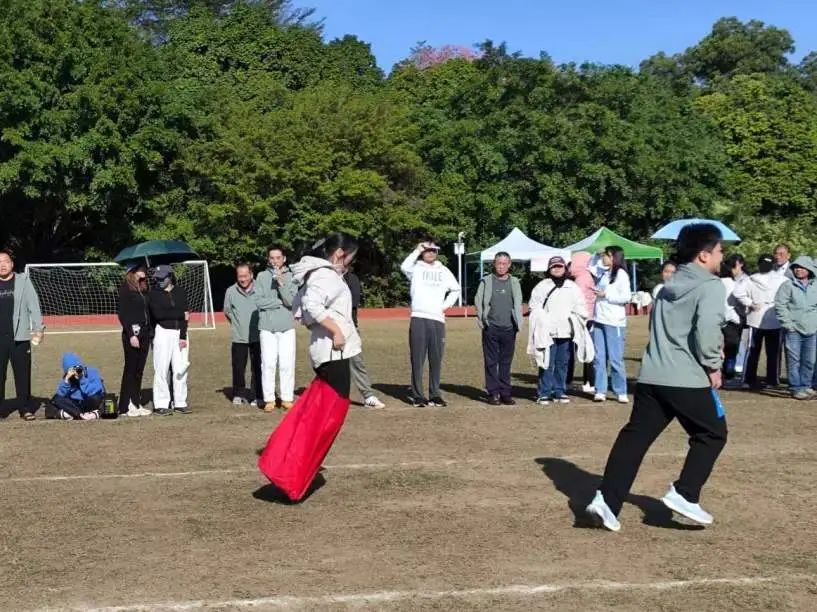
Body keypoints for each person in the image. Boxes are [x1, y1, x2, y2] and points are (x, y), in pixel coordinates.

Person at [586, 223, 727, 532]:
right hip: (686, 376)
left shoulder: (669, 286)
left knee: (634, 438)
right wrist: (714, 366)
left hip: (652, 376)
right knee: (713, 433)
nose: (722, 256)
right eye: (719, 251)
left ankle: (606, 502)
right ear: (703, 255)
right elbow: (706, 335)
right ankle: (685, 493)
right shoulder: (712, 286)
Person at [291, 233, 362, 400]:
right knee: (333, 406)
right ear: (339, 253)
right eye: (351, 256)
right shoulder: (325, 275)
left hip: (331, 349)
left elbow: (299, 308)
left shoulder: (323, 274)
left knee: (328, 406)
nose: (352, 260)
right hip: (331, 350)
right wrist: (336, 331)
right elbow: (311, 304)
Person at [400, 240, 460, 407]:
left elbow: (456, 289)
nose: (430, 253)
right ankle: (418, 395)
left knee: (436, 359)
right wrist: (416, 249)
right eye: (427, 250)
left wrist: (444, 307)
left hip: (437, 320)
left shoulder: (444, 270)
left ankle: (435, 394)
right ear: (422, 252)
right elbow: (404, 266)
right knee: (417, 359)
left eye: (433, 250)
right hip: (419, 317)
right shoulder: (416, 268)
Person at [528, 256, 588, 404]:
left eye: (560, 266)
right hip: (547, 332)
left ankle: (560, 390)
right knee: (546, 362)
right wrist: (543, 320)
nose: (557, 269)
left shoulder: (572, 287)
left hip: (566, 331)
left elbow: (580, 306)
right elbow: (534, 306)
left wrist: (575, 320)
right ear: (549, 269)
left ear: (565, 268)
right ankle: (544, 392)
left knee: (563, 363)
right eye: (554, 266)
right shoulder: (542, 286)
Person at [0, 249, 44, 421]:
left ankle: (25, 408)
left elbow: (34, 306)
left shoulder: (23, 281)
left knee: (22, 374)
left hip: (19, 338)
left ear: (11, 264)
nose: (2, 265)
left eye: (5, 261)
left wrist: (39, 328)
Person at [475, 252, 523, 406]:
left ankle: (505, 393)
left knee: (505, 362)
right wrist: (483, 319)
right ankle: (493, 393)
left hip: (509, 328)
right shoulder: (486, 281)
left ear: (509, 265)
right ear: (494, 264)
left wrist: (517, 322)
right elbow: (478, 300)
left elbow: (518, 302)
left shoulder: (515, 282)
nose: (501, 266)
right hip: (491, 327)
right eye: (498, 263)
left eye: (504, 263)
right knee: (491, 362)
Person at [255, 247, 298, 412]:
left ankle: (287, 398)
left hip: (286, 327)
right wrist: (277, 303)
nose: (275, 261)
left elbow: (291, 301)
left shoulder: (291, 277)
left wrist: (281, 283)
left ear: (284, 259)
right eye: (272, 258)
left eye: (278, 258)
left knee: (287, 364)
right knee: (268, 363)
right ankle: (269, 399)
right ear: (268, 259)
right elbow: (258, 301)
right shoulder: (261, 276)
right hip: (266, 327)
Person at [734, 255, 786, 389]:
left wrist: (750, 303)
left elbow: (738, 293)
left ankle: (750, 380)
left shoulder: (752, 279)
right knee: (765, 351)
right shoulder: (782, 280)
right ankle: (770, 380)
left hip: (763, 317)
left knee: (756, 351)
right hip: (767, 318)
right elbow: (737, 293)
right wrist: (750, 303)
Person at [589, 246, 631, 403]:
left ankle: (621, 391)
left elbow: (626, 297)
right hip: (599, 319)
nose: (603, 259)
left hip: (614, 322)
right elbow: (591, 266)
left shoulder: (621, 275)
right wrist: (596, 254)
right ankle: (600, 390)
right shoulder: (603, 271)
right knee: (599, 357)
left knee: (615, 358)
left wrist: (606, 294)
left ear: (613, 257)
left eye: (605, 256)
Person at [149, 265, 190, 415]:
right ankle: (161, 403)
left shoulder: (180, 292)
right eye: (157, 278)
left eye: (162, 278)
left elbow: (186, 315)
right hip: (162, 333)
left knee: (181, 368)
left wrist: (183, 336)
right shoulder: (153, 294)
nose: (159, 280)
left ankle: (180, 402)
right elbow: (158, 315)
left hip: (180, 333)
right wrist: (178, 314)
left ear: (170, 277)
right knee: (161, 369)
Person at [343, 266, 386, 408]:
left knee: (357, 362)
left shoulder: (352, 279)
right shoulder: (325, 278)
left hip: (349, 327)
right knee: (328, 366)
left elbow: (351, 303)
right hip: (329, 327)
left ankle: (368, 396)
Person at [775, 256, 817, 399]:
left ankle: (806, 385)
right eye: (796, 267)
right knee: (794, 360)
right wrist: (788, 325)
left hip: (812, 330)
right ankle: (795, 387)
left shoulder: (815, 285)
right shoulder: (787, 285)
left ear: (809, 269)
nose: (798, 270)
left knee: (809, 360)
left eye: (802, 267)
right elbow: (780, 305)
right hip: (794, 330)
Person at [224, 263, 263, 407]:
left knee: (258, 367)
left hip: (258, 336)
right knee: (238, 367)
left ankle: (257, 395)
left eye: (245, 276)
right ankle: (238, 394)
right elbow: (227, 311)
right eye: (240, 276)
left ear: (251, 275)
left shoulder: (261, 289)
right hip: (239, 337)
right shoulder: (230, 291)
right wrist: (237, 325)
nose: (242, 279)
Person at [117, 264, 152, 417]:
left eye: (144, 269)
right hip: (132, 334)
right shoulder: (125, 288)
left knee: (139, 370)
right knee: (130, 369)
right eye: (141, 269)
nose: (144, 272)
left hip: (145, 332)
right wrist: (131, 334)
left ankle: (136, 403)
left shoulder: (145, 288)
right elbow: (123, 313)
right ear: (132, 271)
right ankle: (125, 405)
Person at [567, 252, 597, 394]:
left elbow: (576, 301)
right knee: (588, 350)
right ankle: (589, 381)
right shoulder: (589, 277)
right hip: (589, 318)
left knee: (573, 351)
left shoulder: (580, 280)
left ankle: (572, 380)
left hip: (580, 319)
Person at [45, 353, 106, 420]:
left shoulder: (92, 372)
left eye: (76, 368)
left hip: (89, 402)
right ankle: (84, 415)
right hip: (74, 405)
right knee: (55, 400)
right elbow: (60, 396)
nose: (75, 372)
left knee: (98, 399)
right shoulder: (68, 378)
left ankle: (70, 414)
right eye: (72, 370)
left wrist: (82, 379)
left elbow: (94, 392)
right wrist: (66, 380)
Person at [725, 254, 750, 382]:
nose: (732, 268)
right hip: (725, 317)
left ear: (741, 264)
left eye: (733, 265)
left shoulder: (747, 280)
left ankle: (734, 370)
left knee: (736, 345)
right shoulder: (725, 279)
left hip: (739, 318)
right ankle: (727, 371)